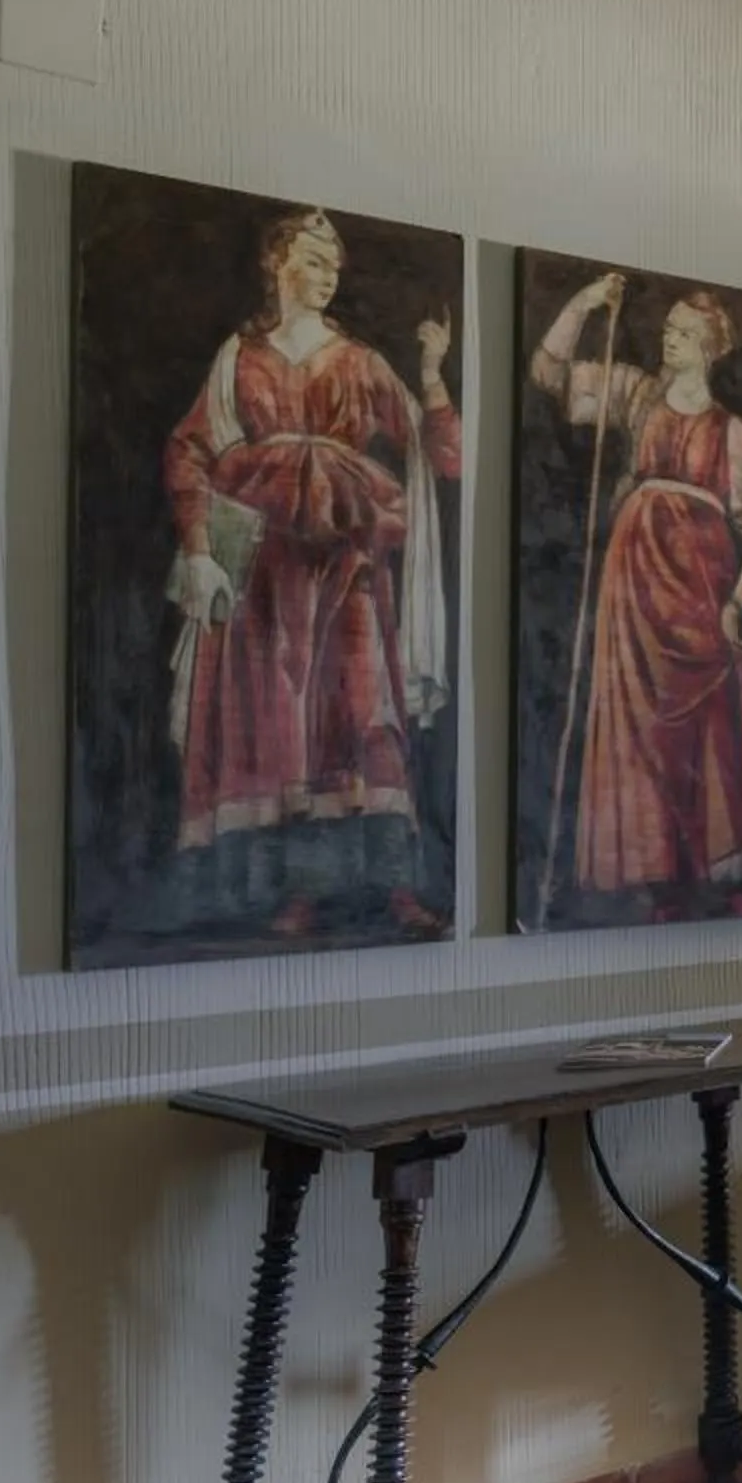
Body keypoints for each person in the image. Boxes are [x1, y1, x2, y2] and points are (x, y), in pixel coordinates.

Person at [161, 207, 458, 938]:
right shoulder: (239, 357)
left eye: (335, 264)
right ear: (278, 264)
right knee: (281, 728)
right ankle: (298, 893)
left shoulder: (358, 361)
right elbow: (188, 451)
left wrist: (431, 375)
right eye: (314, 259)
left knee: (363, 714)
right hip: (263, 566)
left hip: (345, 559)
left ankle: (392, 888)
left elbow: (442, 457)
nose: (328, 276)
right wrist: (199, 549)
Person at [530, 272, 742, 920]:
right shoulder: (639, 396)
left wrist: (735, 603)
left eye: (682, 332)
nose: (668, 338)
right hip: (634, 583)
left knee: (699, 728)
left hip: (696, 586)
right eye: (667, 328)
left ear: (709, 346)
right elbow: (547, 371)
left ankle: (700, 872)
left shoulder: (731, 432)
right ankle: (648, 872)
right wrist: (584, 302)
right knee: (636, 727)